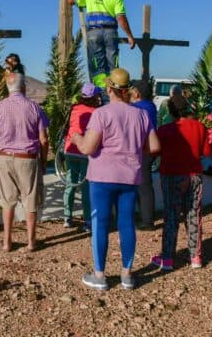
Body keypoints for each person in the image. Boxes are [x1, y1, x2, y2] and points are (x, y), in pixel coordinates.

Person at [71, 68, 160, 290]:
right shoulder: (141, 115)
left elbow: (88, 147)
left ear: (109, 89)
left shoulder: (101, 114)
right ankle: (127, 275)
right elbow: (155, 146)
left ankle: (100, 276)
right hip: (130, 176)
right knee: (126, 223)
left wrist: (76, 136)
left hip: (102, 177)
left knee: (101, 224)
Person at [0, 72, 49, 252]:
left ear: (8, 88)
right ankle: (31, 241)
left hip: (5, 158)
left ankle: (7, 241)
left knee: (7, 201)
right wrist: (42, 162)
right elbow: (44, 139)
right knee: (30, 200)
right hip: (28, 159)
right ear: (23, 86)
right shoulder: (35, 107)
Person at [152, 94, 212, 271]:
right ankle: (195, 257)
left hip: (171, 175)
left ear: (170, 111)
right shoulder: (200, 127)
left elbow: (155, 151)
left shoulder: (164, 130)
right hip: (195, 175)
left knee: (171, 216)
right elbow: (206, 151)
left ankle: (167, 259)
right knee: (194, 214)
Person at [66, 0, 136, 89]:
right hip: (111, 33)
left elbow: (70, 0)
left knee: (97, 66)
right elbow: (121, 18)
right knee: (113, 67)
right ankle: (112, 93)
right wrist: (130, 36)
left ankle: (101, 95)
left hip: (93, 32)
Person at [62, 82, 102, 231]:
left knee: (70, 183)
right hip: (86, 152)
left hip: (70, 149)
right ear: (94, 97)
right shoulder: (96, 112)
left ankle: (67, 217)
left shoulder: (74, 109)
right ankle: (87, 221)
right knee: (86, 187)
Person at [130, 79, 158, 230]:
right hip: (148, 150)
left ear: (137, 93)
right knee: (144, 184)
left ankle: (147, 221)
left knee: (144, 186)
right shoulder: (151, 106)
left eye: (133, 90)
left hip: (142, 150)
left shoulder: (137, 108)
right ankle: (145, 216)